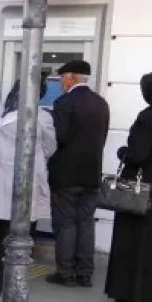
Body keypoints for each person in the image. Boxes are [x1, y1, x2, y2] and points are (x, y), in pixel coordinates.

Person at [0, 79, 56, 294]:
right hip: (23, 183)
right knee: (16, 235)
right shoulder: (41, 117)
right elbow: (50, 147)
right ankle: (4, 284)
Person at [105, 71, 152, 302]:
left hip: (141, 189)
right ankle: (149, 291)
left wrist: (123, 152)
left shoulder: (149, 118)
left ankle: (130, 293)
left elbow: (138, 154)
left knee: (133, 241)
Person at [46, 60, 110, 288]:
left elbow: (59, 138)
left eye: (62, 77)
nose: (61, 81)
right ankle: (85, 272)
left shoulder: (64, 103)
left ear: (71, 77)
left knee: (66, 223)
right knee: (85, 222)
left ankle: (65, 272)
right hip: (91, 173)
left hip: (66, 175)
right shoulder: (101, 103)